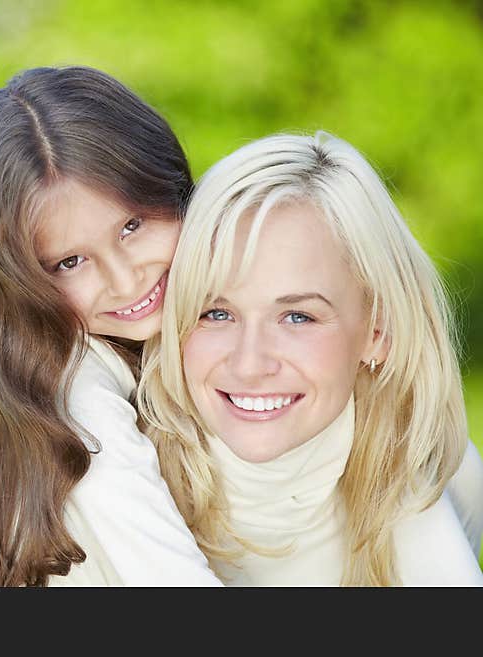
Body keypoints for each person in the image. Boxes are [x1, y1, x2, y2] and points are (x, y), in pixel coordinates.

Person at [139, 131, 483, 585]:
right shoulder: (109, 467)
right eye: (216, 313)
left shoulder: (442, 473)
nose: (249, 364)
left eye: (298, 317)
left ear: (378, 332)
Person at [0, 66, 221, 586]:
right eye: (70, 262)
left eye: (132, 226)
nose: (124, 278)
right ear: (20, 281)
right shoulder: (80, 406)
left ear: (174, 188)